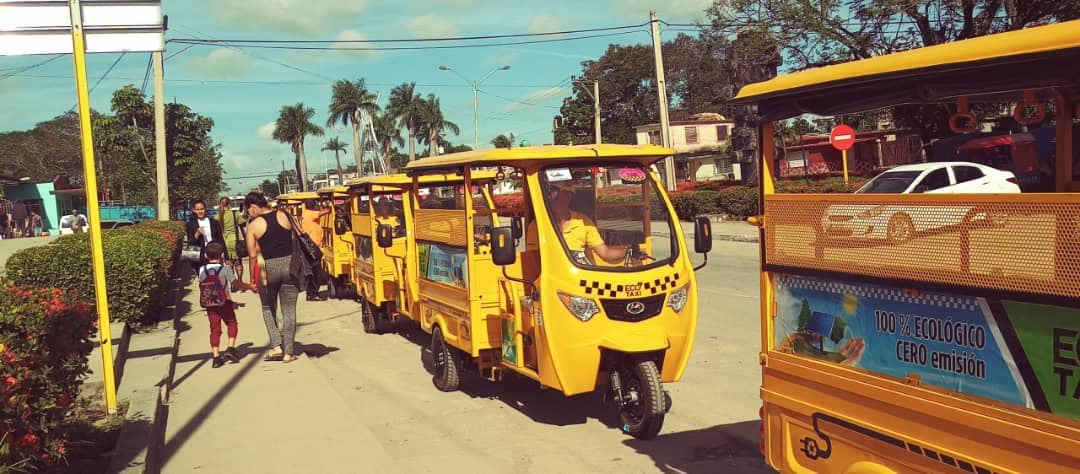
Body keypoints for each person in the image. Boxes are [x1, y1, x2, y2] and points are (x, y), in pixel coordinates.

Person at [244, 192, 301, 363]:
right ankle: (289, 353)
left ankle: (276, 346)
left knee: (268, 307)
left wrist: (252, 280)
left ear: (253, 207)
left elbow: (252, 256)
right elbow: (294, 239)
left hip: (268, 269)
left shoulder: (254, 226)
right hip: (290, 266)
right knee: (289, 310)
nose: (248, 214)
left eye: (248, 210)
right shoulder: (284, 215)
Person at [198, 242, 253, 368]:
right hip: (224, 302)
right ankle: (230, 348)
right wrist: (249, 286)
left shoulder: (202, 269)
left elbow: (201, 284)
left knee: (214, 329)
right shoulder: (225, 269)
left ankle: (216, 357)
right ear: (222, 255)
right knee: (232, 323)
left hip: (210, 303)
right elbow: (235, 284)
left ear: (206, 255)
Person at [548, 185, 632, 266]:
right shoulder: (541, 220)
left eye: (566, 195)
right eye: (550, 193)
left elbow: (605, 253)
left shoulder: (583, 221)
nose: (551, 197)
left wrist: (630, 250)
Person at [301, 199, 329, 301]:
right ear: (313, 206)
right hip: (312, 247)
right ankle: (312, 294)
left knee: (313, 271)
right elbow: (324, 212)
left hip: (311, 246)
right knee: (316, 272)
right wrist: (330, 206)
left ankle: (311, 293)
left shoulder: (307, 214)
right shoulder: (310, 214)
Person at [185, 199, 225, 267]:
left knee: (215, 276)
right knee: (203, 276)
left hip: (215, 254)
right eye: (197, 209)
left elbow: (220, 239)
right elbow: (190, 242)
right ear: (194, 210)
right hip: (199, 256)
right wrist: (197, 234)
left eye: (202, 209)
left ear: (205, 209)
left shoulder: (214, 223)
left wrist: (225, 255)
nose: (200, 211)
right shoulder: (190, 224)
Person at [218, 197, 245, 280]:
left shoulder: (217, 217)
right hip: (235, 241)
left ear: (220, 204)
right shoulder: (235, 214)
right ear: (229, 204)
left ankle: (233, 282)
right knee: (238, 262)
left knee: (229, 263)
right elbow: (243, 224)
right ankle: (240, 279)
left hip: (224, 242)